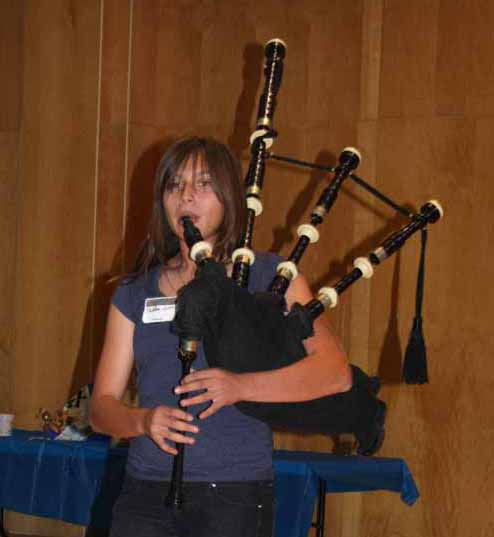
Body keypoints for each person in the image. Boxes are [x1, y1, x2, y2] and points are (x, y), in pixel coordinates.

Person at [89, 136, 352, 537]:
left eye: (203, 184)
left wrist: (239, 386)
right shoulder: (134, 292)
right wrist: (142, 421)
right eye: (175, 185)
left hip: (236, 495)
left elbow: (334, 373)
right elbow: (101, 408)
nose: (186, 197)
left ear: (230, 196)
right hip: (145, 492)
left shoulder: (272, 277)